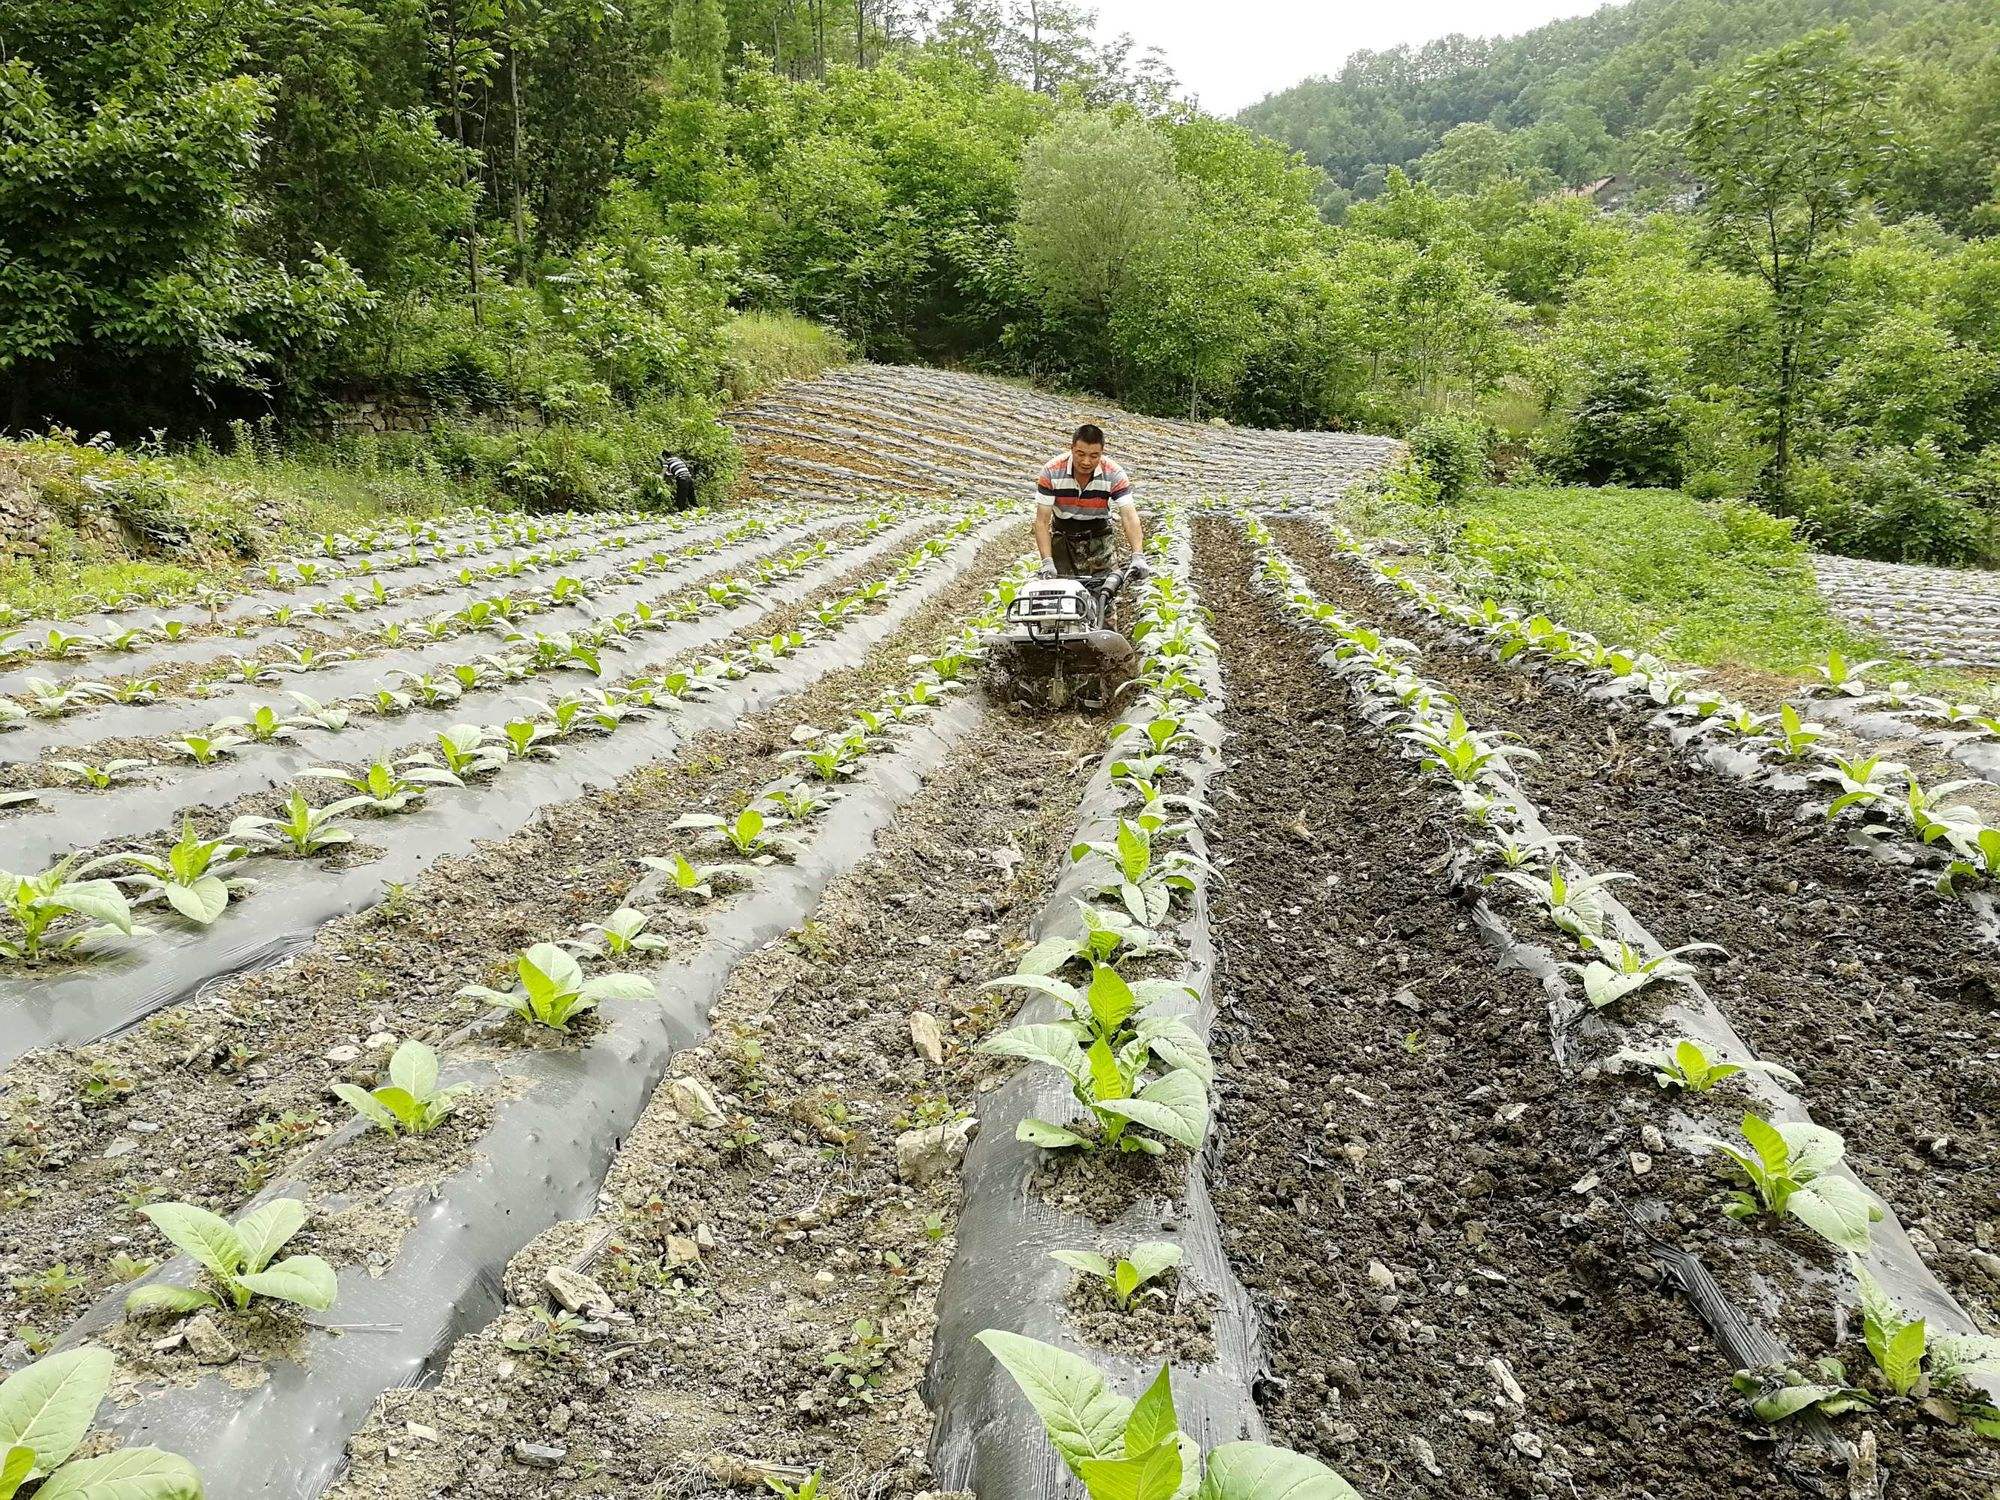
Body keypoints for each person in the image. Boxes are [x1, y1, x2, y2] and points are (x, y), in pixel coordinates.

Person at [1034, 423, 1144, 579]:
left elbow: (1129, 516)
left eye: (1094, 456)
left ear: (1101, 453)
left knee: (1103, 591)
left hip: (1099, 539)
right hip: (1063, 538)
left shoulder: (1114, 473)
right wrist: (1047, 561)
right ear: (1071, 448)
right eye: (1080, 454)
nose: (1086, 462)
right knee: (1062, 592)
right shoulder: (1052, 471)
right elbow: (1042, 521)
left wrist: (1138, 555)